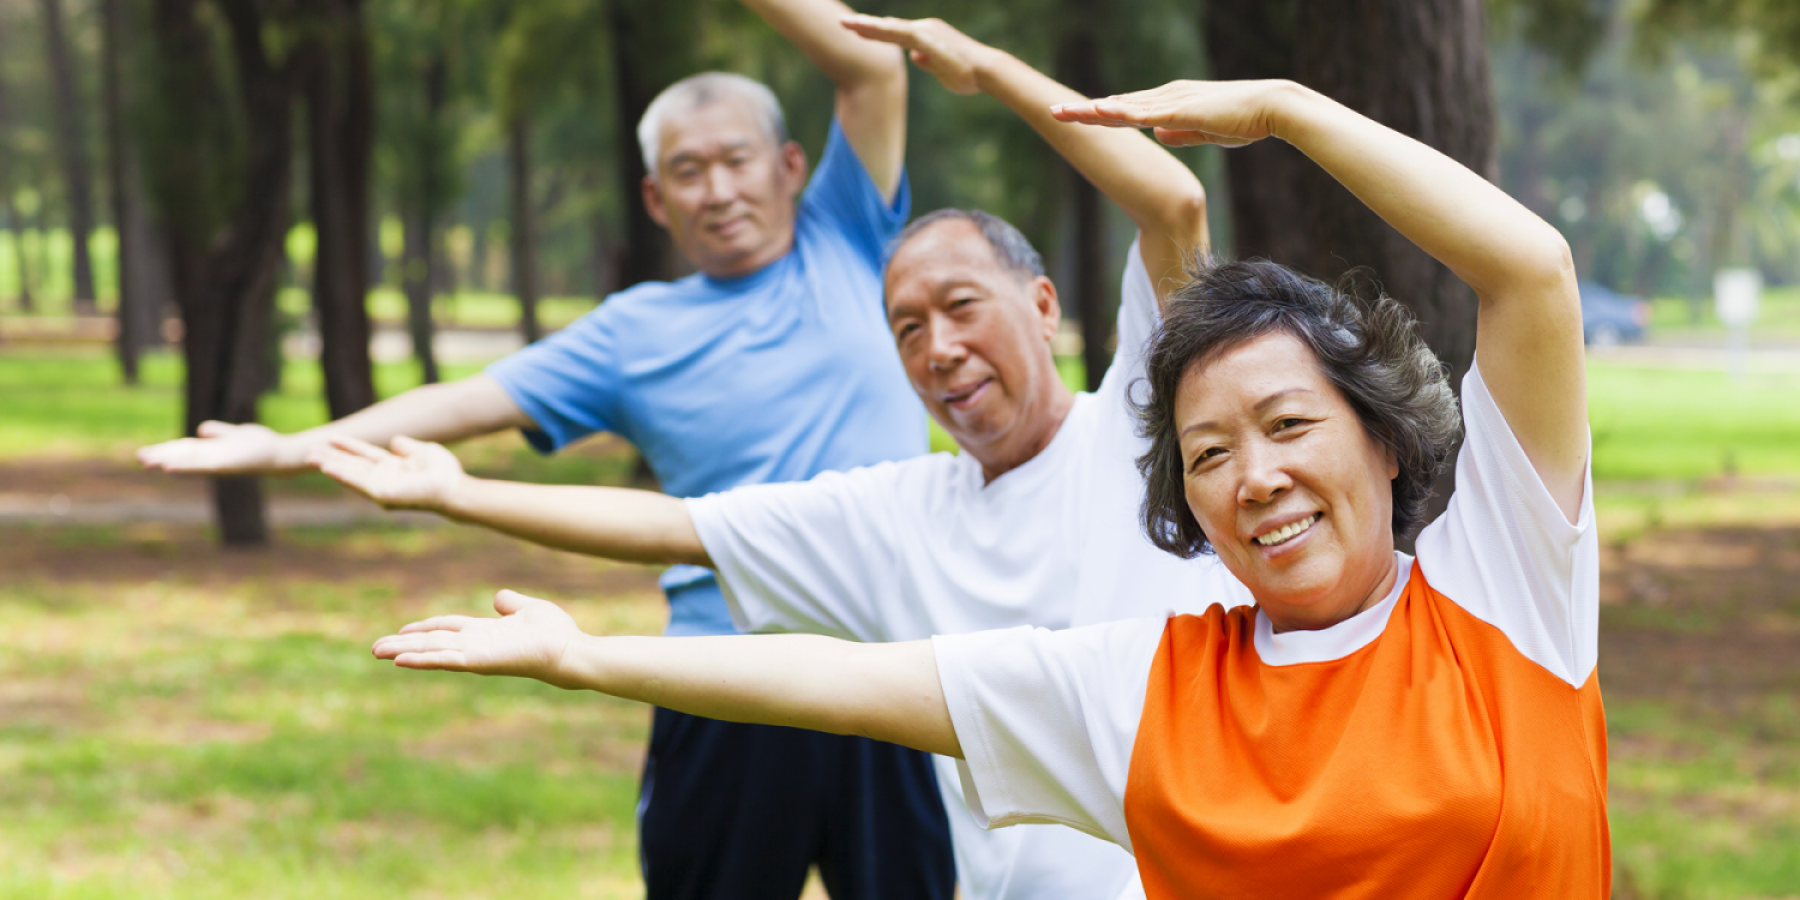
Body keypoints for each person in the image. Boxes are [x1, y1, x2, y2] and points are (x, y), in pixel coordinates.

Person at [363, 77, 1605, 899]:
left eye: (1288, 426)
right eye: (1210, 453)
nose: (1256, 476)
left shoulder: (1502, 585)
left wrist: (1282, 112)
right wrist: (584, 656)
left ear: (1385, 442)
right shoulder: (1153, 688)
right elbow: (847, 681)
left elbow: (1534, 275)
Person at [312, 16, 1246, 900]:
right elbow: (679, 527)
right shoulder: (903, 512)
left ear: (1043, 307)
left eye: (963, 307)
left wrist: (985, 69)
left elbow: (1172, 198)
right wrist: (458, 492)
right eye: (908, 329)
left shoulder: (1137, 419)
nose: (939, 347)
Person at [136, 2, 957, 897]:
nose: (718, 190)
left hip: (892, 667)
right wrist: (289, 447)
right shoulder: (632, 333)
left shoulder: (852, 234)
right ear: (656, 196)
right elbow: (465, 401)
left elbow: (873, 68)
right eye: (688, 170)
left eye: (736, 161)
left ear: (790, 167)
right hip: (725, 676)